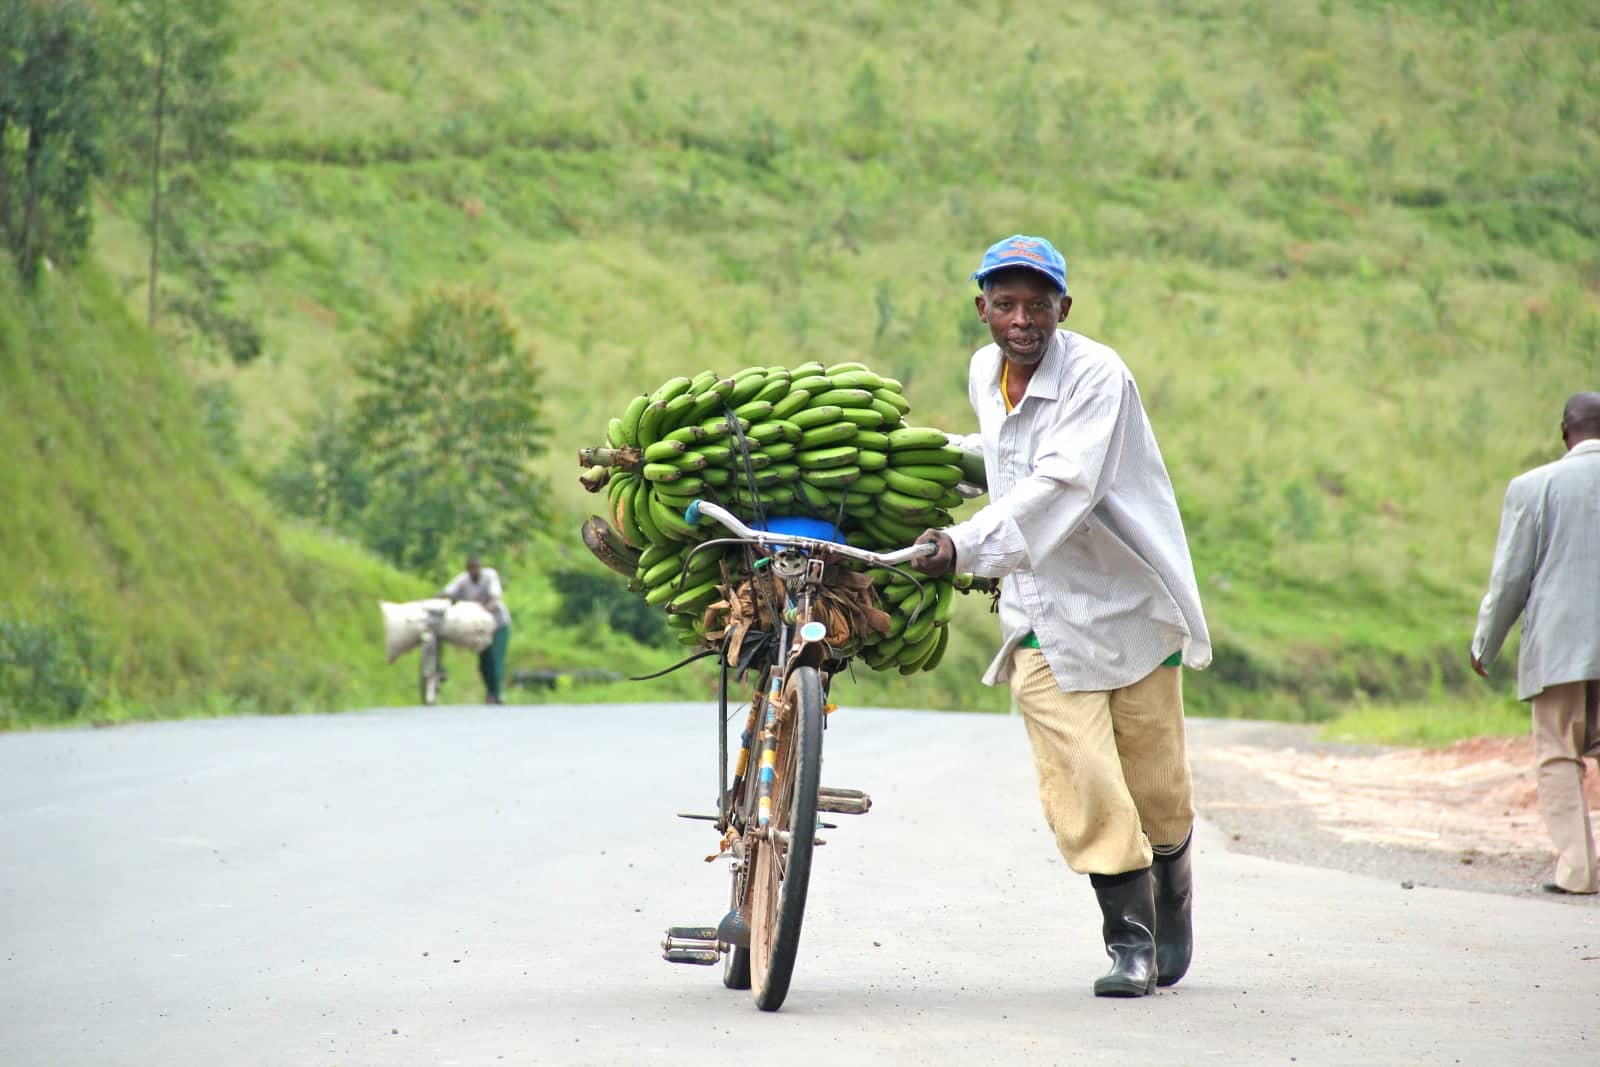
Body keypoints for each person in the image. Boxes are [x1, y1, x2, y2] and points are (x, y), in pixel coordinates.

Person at [913, 234, 1212, 997]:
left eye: (1037, 305)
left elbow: (1058, 483)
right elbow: (1003, 456)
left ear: (1063, 310)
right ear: (981, 309)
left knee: (1157, 785)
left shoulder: (1097, 376)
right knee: (1080, 773)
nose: (1022, 319)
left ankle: (1172, 893)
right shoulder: (987, 371)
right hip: (1041, 612)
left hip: (1127, 603)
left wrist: (963, 545)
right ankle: (1131, 941)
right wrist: (917, 462)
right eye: (1005, 303)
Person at [1470, 392, 1600, 895]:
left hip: (1560, 644)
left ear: (1565, 429)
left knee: (1559, 752)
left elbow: (1511, 579)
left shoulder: (1535, 486)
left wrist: (1486, 642)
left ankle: (1579, 872)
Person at [442, 554, 512, 705]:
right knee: (484, 661)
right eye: (471, 568)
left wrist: (483, 609)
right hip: (479, 627)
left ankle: (497, 693)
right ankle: (490, 692)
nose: (474, 571)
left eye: (476, 567)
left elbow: (495, 598)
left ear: (480, 567)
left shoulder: (489, 577)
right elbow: (449, 592)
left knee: (495, 658)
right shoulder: (463, 581)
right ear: (468, 569)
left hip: (497, 623)